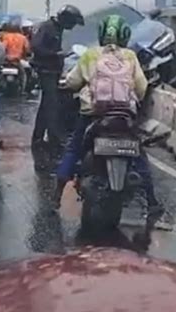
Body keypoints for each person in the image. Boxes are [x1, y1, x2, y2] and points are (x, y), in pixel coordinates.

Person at [54, 15, 162, 216]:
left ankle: (57, 195)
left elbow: (72, 82)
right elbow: (142, 87)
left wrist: (70, 86)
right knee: (138, 154)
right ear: (124, 35)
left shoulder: (89, 55)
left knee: (74, 149)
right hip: (124, 115)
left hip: (92, 114)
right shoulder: (130, 56)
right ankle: (152, 200)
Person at [31, 5, 85, 157]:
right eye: (72, 22)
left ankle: (38, 139)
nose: (72, 26)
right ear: (66, 19)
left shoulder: (57, 29)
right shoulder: (47, 27)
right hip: (46, 71)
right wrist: (55, 54)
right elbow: (36, 46)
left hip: (53, 72)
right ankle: (55, 139)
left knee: (46, 107)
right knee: (52, 106)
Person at [0, 20, 31, 92]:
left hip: (6, 60)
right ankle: (23, 89)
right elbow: (27, 49)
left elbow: (2, 48)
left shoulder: (6, 37)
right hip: (17, 61)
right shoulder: (23, 38)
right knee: (24, 75)